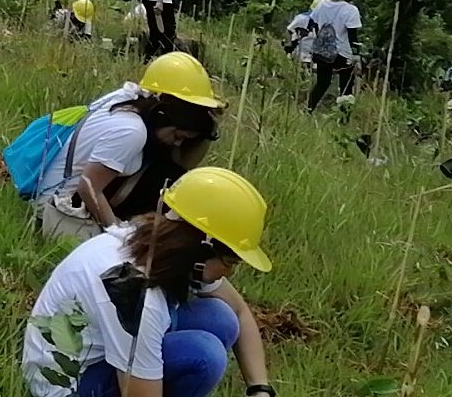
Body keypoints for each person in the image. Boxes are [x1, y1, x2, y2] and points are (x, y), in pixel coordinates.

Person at [23, 166, 277, 397]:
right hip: (67, 385)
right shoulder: (133, 290)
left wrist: (260, 389)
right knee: (205, 355)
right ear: (202, 249)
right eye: (229, 262)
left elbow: (239, 312)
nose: (230, 273)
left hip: (91, 352)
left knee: (220, 317)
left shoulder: (153, 243)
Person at [33, 53, 222, 241]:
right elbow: (88, 186)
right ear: (163, 115)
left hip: (51, 191)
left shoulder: (125, 98)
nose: (178, 143)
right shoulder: (133, 132)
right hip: (59, 210)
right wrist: (116, 232)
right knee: (165, 178)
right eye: (177, 136)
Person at [306, 0, 361, 112]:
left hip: (321, 51)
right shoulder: (351, 10)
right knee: (346, 87)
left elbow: (312, 24)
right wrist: (356, 55)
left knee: (322, 83)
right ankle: (344, 118)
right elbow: (352, 36)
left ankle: (308, 109)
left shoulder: (320, 5)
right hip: (342, 54)